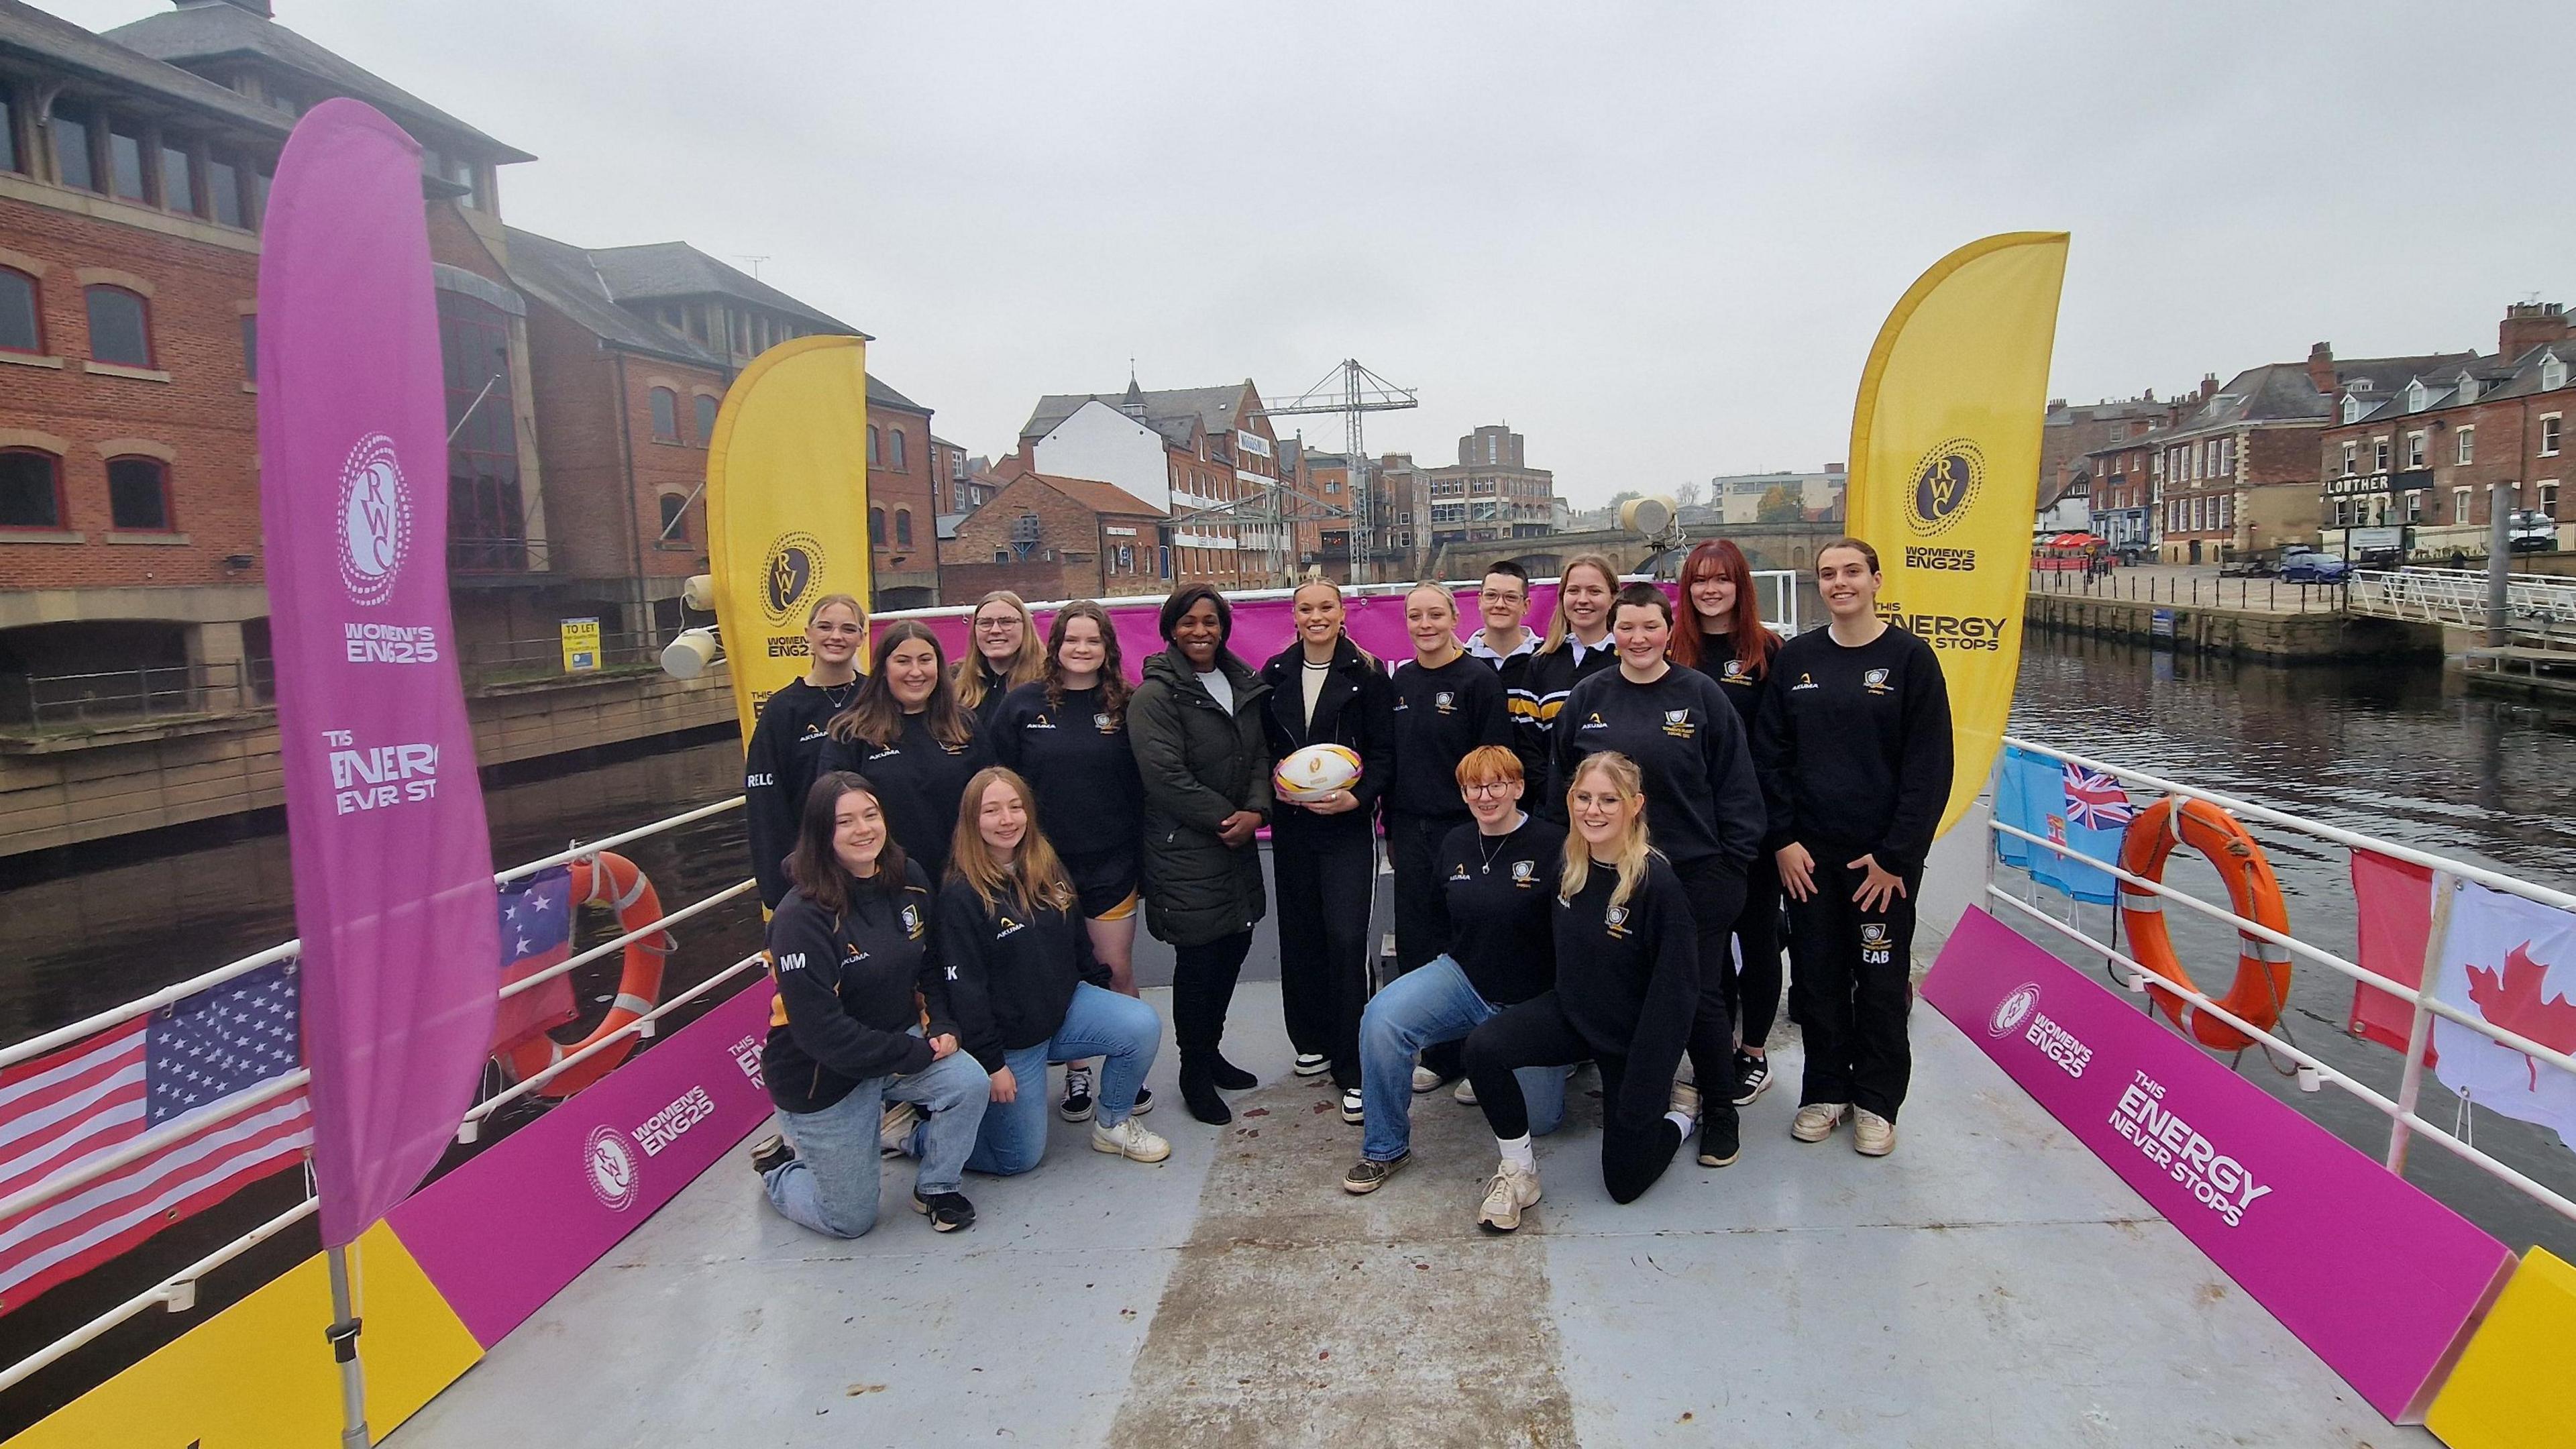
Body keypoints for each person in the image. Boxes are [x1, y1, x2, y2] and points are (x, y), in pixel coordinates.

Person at [1550, 582, 1763, 1169]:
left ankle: (1720, 1108)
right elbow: (1559, 788)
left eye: (1650, 627)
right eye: (1627, 628)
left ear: (1670, 630)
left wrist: (1732, 867)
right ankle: (1649, 1091)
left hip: (1693, 877)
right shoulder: (1588, 696)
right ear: (1612, 632)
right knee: (1626, 992)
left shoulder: (1701, 696)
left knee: (1699, 999)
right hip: (1609, 881)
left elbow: (1738, 788)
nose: (1638, 638)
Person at [1755, 537, 1953, 1159]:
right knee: (1816, 979)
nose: (1839, 583)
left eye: (1851, 572)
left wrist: (1897, 856)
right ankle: (1824, 1092)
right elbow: (1772, 756)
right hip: (1809, 863)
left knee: (1879, 980)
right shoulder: (1798, 660)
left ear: (1876, 580)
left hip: (1881, 868)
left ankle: (1876, 1102)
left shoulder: (1909, 660)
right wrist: (1783, 839)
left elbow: (1930, 768)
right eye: (1828, 574)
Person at [1459, 752, 1701, 1232]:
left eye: (1609, 800)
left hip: (1630, 1042)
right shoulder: (1571, 863)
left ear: (1635, 806)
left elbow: (1677, 996)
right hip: (1573, 1016)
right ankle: (1519, 1171)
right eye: (1585, 798)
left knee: (1624, 1184)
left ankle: (1681, 1118)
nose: (1594, 810)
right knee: (1484, 1048)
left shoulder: (1658, 884)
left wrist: (1648, 1076)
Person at [747, 771, 987, 1236]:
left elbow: (931, 962)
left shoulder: (909, 879)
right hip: (823, 1075)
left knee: (968, 1084)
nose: (863, 830)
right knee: (850, 1221)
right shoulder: (801, 918)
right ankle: (779, 1167)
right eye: (844, 822)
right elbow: (821, 1034)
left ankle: (937, 1187)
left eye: (870, 815)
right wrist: (914, 1053)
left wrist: (941, 1021)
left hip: (896, 1044)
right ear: (821, 833)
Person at [1342, 746, 1570, 1193]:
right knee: (1382, 1020)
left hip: (1530, 1002)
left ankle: (1546, 1064)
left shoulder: (1555, 844)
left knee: (1541, 1122)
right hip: (1465, 980)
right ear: (1463, 793)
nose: (1486, 796)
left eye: (1497, 784)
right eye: (1474, 786)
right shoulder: (1456, 843)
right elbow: (1439, 917)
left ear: (1519, 788)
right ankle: (1386, 1148)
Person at [926, 767, 1171, 1171]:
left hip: (1062, 1013)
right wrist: (993, 1065)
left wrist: (1097, 992)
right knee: (1018, 1158)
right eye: (992, 811)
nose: (1007, 820)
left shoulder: (1045, 865)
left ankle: (1112, 1124)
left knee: (1140, 1024)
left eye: (1015, 807)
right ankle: (916, 1137)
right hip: (1012, 1041)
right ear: (972, 821)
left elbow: (1077, 941)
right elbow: (964, 991)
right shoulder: (960, 896)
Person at [989, 600, 1151, 1121]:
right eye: (1071, 640)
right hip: (1040, 871)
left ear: (1107, 648)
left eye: (1093, 641)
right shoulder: (1021, 705)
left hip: (1112, 864)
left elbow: (1144, 788)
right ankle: (1078, 1074)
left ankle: (1128, 1070)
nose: (1081, 649)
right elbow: (997, 786)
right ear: (1055, 646)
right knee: (1061, 974)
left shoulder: (1127, 705)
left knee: (1115, 969)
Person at [1130, 584, 1273, 1126]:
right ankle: (1193, 1070)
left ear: (1223, 627)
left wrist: (1256, 812)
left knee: (1236, 943)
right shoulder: (1155, 696)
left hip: (1235, 841)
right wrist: (1225, 819)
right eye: (1188, 621)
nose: (1200, 631)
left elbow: (1260, 756)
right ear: (1170, 627)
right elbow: (1164, 776)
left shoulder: (1241, 684)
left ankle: (1211, 1051)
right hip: (1186, 848)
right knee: (1199, 959)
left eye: (1210, 621)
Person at [1257, 579, 1395, 1123]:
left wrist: (1357, 799)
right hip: (1293, 830)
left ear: (1342, 614)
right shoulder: (1273, 675)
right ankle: (1310, 1038)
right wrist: (1275, 786)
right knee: (1302, 933)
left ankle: (1353, 1061)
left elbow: (1383, 753)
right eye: (1306, 608)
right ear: (1293, 614)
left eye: (1326, 607)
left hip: (1345, 830)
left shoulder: (1368, 676)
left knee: (1344, 936)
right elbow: (1265, 750)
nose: (1317, 616)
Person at [1667, 540, 1787, 1105]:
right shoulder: (1671, 652)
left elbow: (1784, 749)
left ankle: (1755, 1051)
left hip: (1752, 831)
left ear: (1741, 586)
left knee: (1758, 940)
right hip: (1690, 831)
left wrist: (1781, 833)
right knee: (1704, 950)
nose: (1710, 590)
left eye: (1722, 580)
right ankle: (1714, 1046)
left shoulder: (1768, 653)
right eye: (1699, 581)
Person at [1383, 582, 1512, 1093]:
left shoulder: (1478, 681)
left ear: (1456, 616)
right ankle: (1438, 1054)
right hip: (1411, 831)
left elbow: (1497, 763)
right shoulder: (1400, 683)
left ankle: (1478, 1052)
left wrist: (1489, 827)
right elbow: (1392, 763)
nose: (1426, 624)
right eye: (1416, 616)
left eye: (1436, 614)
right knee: (1418, 939)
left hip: (1465, 830)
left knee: (1470, 937)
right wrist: (1392, 826)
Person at [821, 621, 992, 882]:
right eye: (903, 661)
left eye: (925, 660)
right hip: (889, 882)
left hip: (962, 878)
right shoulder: (850, 734)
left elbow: (990, 799)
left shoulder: (965, 726)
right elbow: (830, 814)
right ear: (883, 669)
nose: (916, 672)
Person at [742, 593, 867, 911]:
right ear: (808, 634)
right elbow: (766, 804)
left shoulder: (876, 697)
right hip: (816, 869)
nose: (836, 637)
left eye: (848, 629)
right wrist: (780, 883)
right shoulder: (782, 710)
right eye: (825, 627)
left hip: (874, 857)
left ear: (861, 639)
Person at [1519, 553, 1620, 766]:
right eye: (1573, 591)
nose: (1583, 599)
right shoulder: (1541, 663)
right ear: (1562, 597)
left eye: (1594, 591)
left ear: (1613, 598)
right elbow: (1527, 743)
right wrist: (1552, 793)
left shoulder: (1626, 661)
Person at [1464, 561, 1543, 782]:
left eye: (1510, 597)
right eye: (1491, 596)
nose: (1500, 604)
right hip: (1478, 792)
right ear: (1480, 601)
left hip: (1538, 793)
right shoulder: (1461, 661)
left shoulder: (1547, 658)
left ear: (1526, 605)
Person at [952, 590, 1046, 731]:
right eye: (985, 623)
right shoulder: (954, 680)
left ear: (1026, 627)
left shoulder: (1050, 679)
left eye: (1007, 622)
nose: (995, 630)